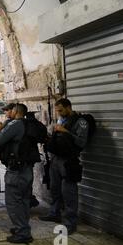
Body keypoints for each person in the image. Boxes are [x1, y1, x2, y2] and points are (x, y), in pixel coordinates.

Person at [39, 98, 89, 235]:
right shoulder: (62, 120)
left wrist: (66, 132)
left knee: (69, 193)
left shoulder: (81, 122)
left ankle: (70, 222)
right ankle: (54, 213)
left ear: (68, 107)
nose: (59, 113)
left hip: (69, 161)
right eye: (57, 111)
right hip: (56, 159)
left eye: (61, 110)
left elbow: (81, 142)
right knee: (55, 188)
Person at [0, 103, 34, 244]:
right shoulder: (29, 123)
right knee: (23, 200)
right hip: (27, 168)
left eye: (9, 110)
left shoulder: (15, 124)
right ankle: (22, 227)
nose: (7, 112)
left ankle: (22, 231)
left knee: (13, 201)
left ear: (16, 111)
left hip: (16, 171)